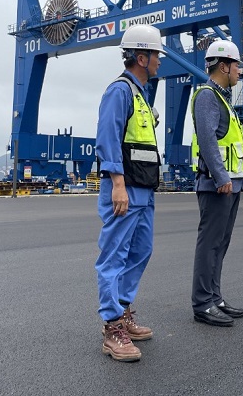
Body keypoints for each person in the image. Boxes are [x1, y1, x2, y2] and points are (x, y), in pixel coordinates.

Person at [94, 24, 164, 362]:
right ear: (141, 56)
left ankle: (122, 311)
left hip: (143, 190)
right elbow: (108, 138)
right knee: (114, 256)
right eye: (156, 56)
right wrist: (117, 184)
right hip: (124, 189)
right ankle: (112, 328)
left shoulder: (141, 95)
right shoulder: (119, 91)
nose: (159, 61)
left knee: (141, 251)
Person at [190, 39, 243, 326]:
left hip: (230, 185)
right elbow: (207, 138)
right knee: (210, 244)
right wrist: (221, 176)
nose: (239, 71)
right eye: (236, 65)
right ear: (224, 66)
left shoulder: (222, 97)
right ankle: (203, 303)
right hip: (218, 185)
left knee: (221, 243)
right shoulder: (206, 96)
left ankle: (214, 297)